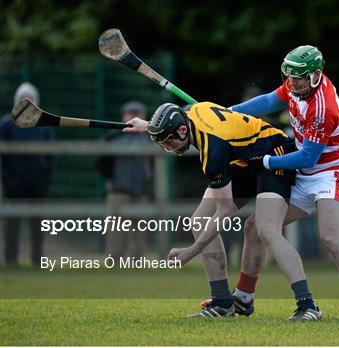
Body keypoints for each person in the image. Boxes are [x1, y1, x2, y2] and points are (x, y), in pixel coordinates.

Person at [125, 101, 323, 320]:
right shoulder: (191, 111)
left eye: (168, 141)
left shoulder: (213, 149)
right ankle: (222, 303)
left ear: (182, 130)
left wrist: (191, 251)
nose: (168, 147)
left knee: (266, 228)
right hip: (243, 160)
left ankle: (308, 305)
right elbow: (179, 113)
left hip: (273, 153)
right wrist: (148, 126)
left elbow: (226, 210)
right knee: (199, 220)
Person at [228, 45, 339, 322]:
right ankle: (242, 298)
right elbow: (266, 102)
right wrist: (228, 112)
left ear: (315, 75)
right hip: (304, 173)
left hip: (332, 173)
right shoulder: (296, 84)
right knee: (255, 226)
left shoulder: (323, 106)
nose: (291, 83)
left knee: (332, 238)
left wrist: (264, 162)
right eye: (288, 76)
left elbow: (308, 157)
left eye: (297, 78)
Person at [0, 82, 53, 265]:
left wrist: (43, 173)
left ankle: (37, 259)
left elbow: (50, 155)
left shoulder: (44, 126)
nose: (27, 102)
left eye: (30, 99)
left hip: (36, 182)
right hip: (13, 182)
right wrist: (7, 177)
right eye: (24, 99)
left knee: (37, 222)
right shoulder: (7, 124)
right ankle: (10, 259)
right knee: (12, 222)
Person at [96, 101, 153, 260]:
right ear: (123, 116)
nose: (133, 116)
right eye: (130, 113)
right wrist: (112, 178)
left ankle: (137, 263)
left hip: (141, 191)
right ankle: (115, 262)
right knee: (115, 232)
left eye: (137, 113)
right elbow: (102, 161)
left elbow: (154, 164)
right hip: (118, 191)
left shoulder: (150, 138)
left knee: (139, 233)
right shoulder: (112, 137)